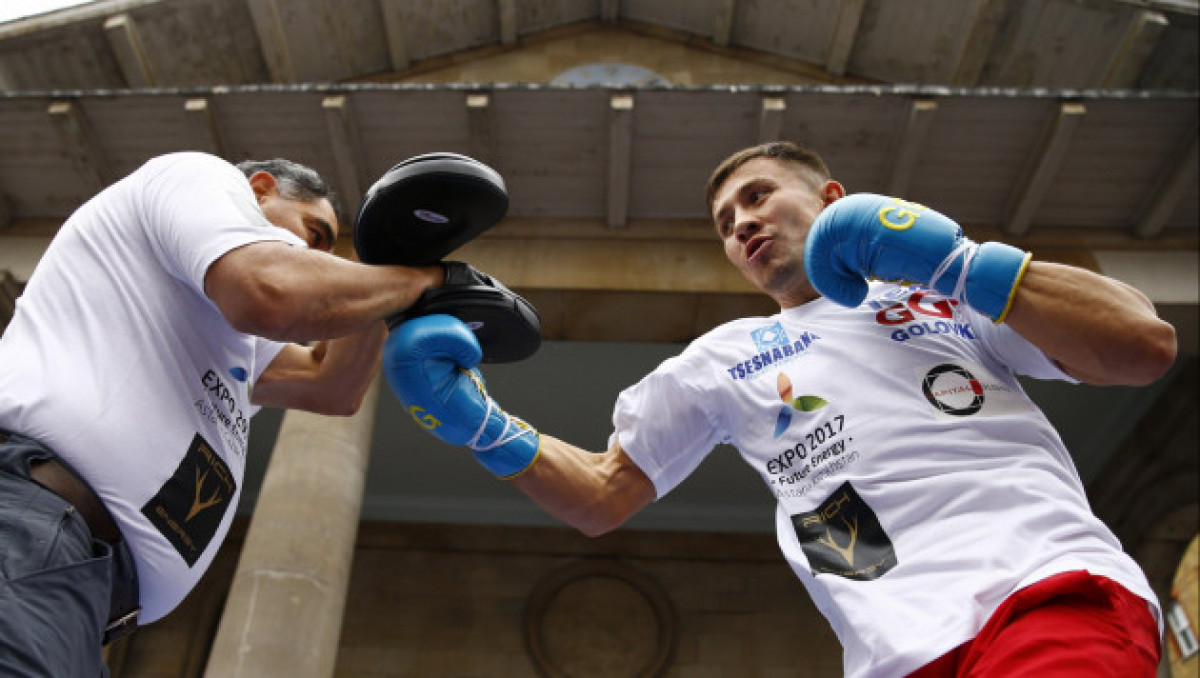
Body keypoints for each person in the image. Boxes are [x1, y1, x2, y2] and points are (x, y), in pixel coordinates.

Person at [383, 140, 1178, 677]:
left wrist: (958, 262)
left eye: (758, 198)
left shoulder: (938, 293)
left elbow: (1141, 345)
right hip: (895, 652)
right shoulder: (721, 359)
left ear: (834, 198)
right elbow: (602, 493)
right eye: (726, 224)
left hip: (1042, 591)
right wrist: (483, 425)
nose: (743, 226)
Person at [0, 151, 456, 676]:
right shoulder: (198, 176)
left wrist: (391, 274)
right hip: (32, 528)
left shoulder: (230, 337)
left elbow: (332, 387)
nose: (319, 254)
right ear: (260, 189)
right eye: (315, 232)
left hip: (82, 594)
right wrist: (424, 280)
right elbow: (270, 293)